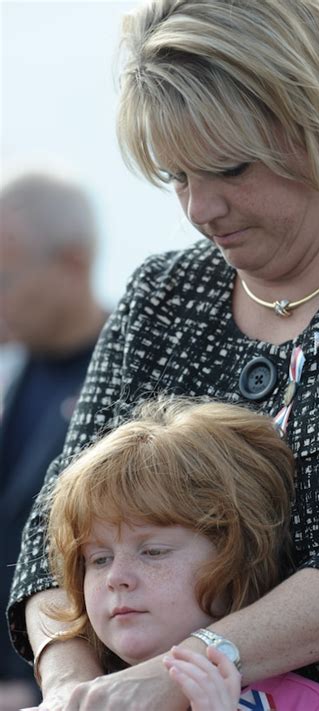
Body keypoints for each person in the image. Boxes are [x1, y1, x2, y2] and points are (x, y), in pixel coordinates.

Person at [8, 1, 319, 709]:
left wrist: (176, 674)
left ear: (317, 123)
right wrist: (73, 687)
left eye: (228, 169)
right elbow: (56, 534)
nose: (200, 208)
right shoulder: (162, 293)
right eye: (177, 177)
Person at [43, 396, 319, 709]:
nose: (116, 578)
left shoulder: (306, 704)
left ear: (238, 556)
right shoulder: (81, 703)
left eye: (153, 552)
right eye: (100, 559)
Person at [0, 170, 106, 709]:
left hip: (61, 679)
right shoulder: (13, 373)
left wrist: (32, 680)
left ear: (73, 262)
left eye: (5, 280)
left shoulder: (128, 383)